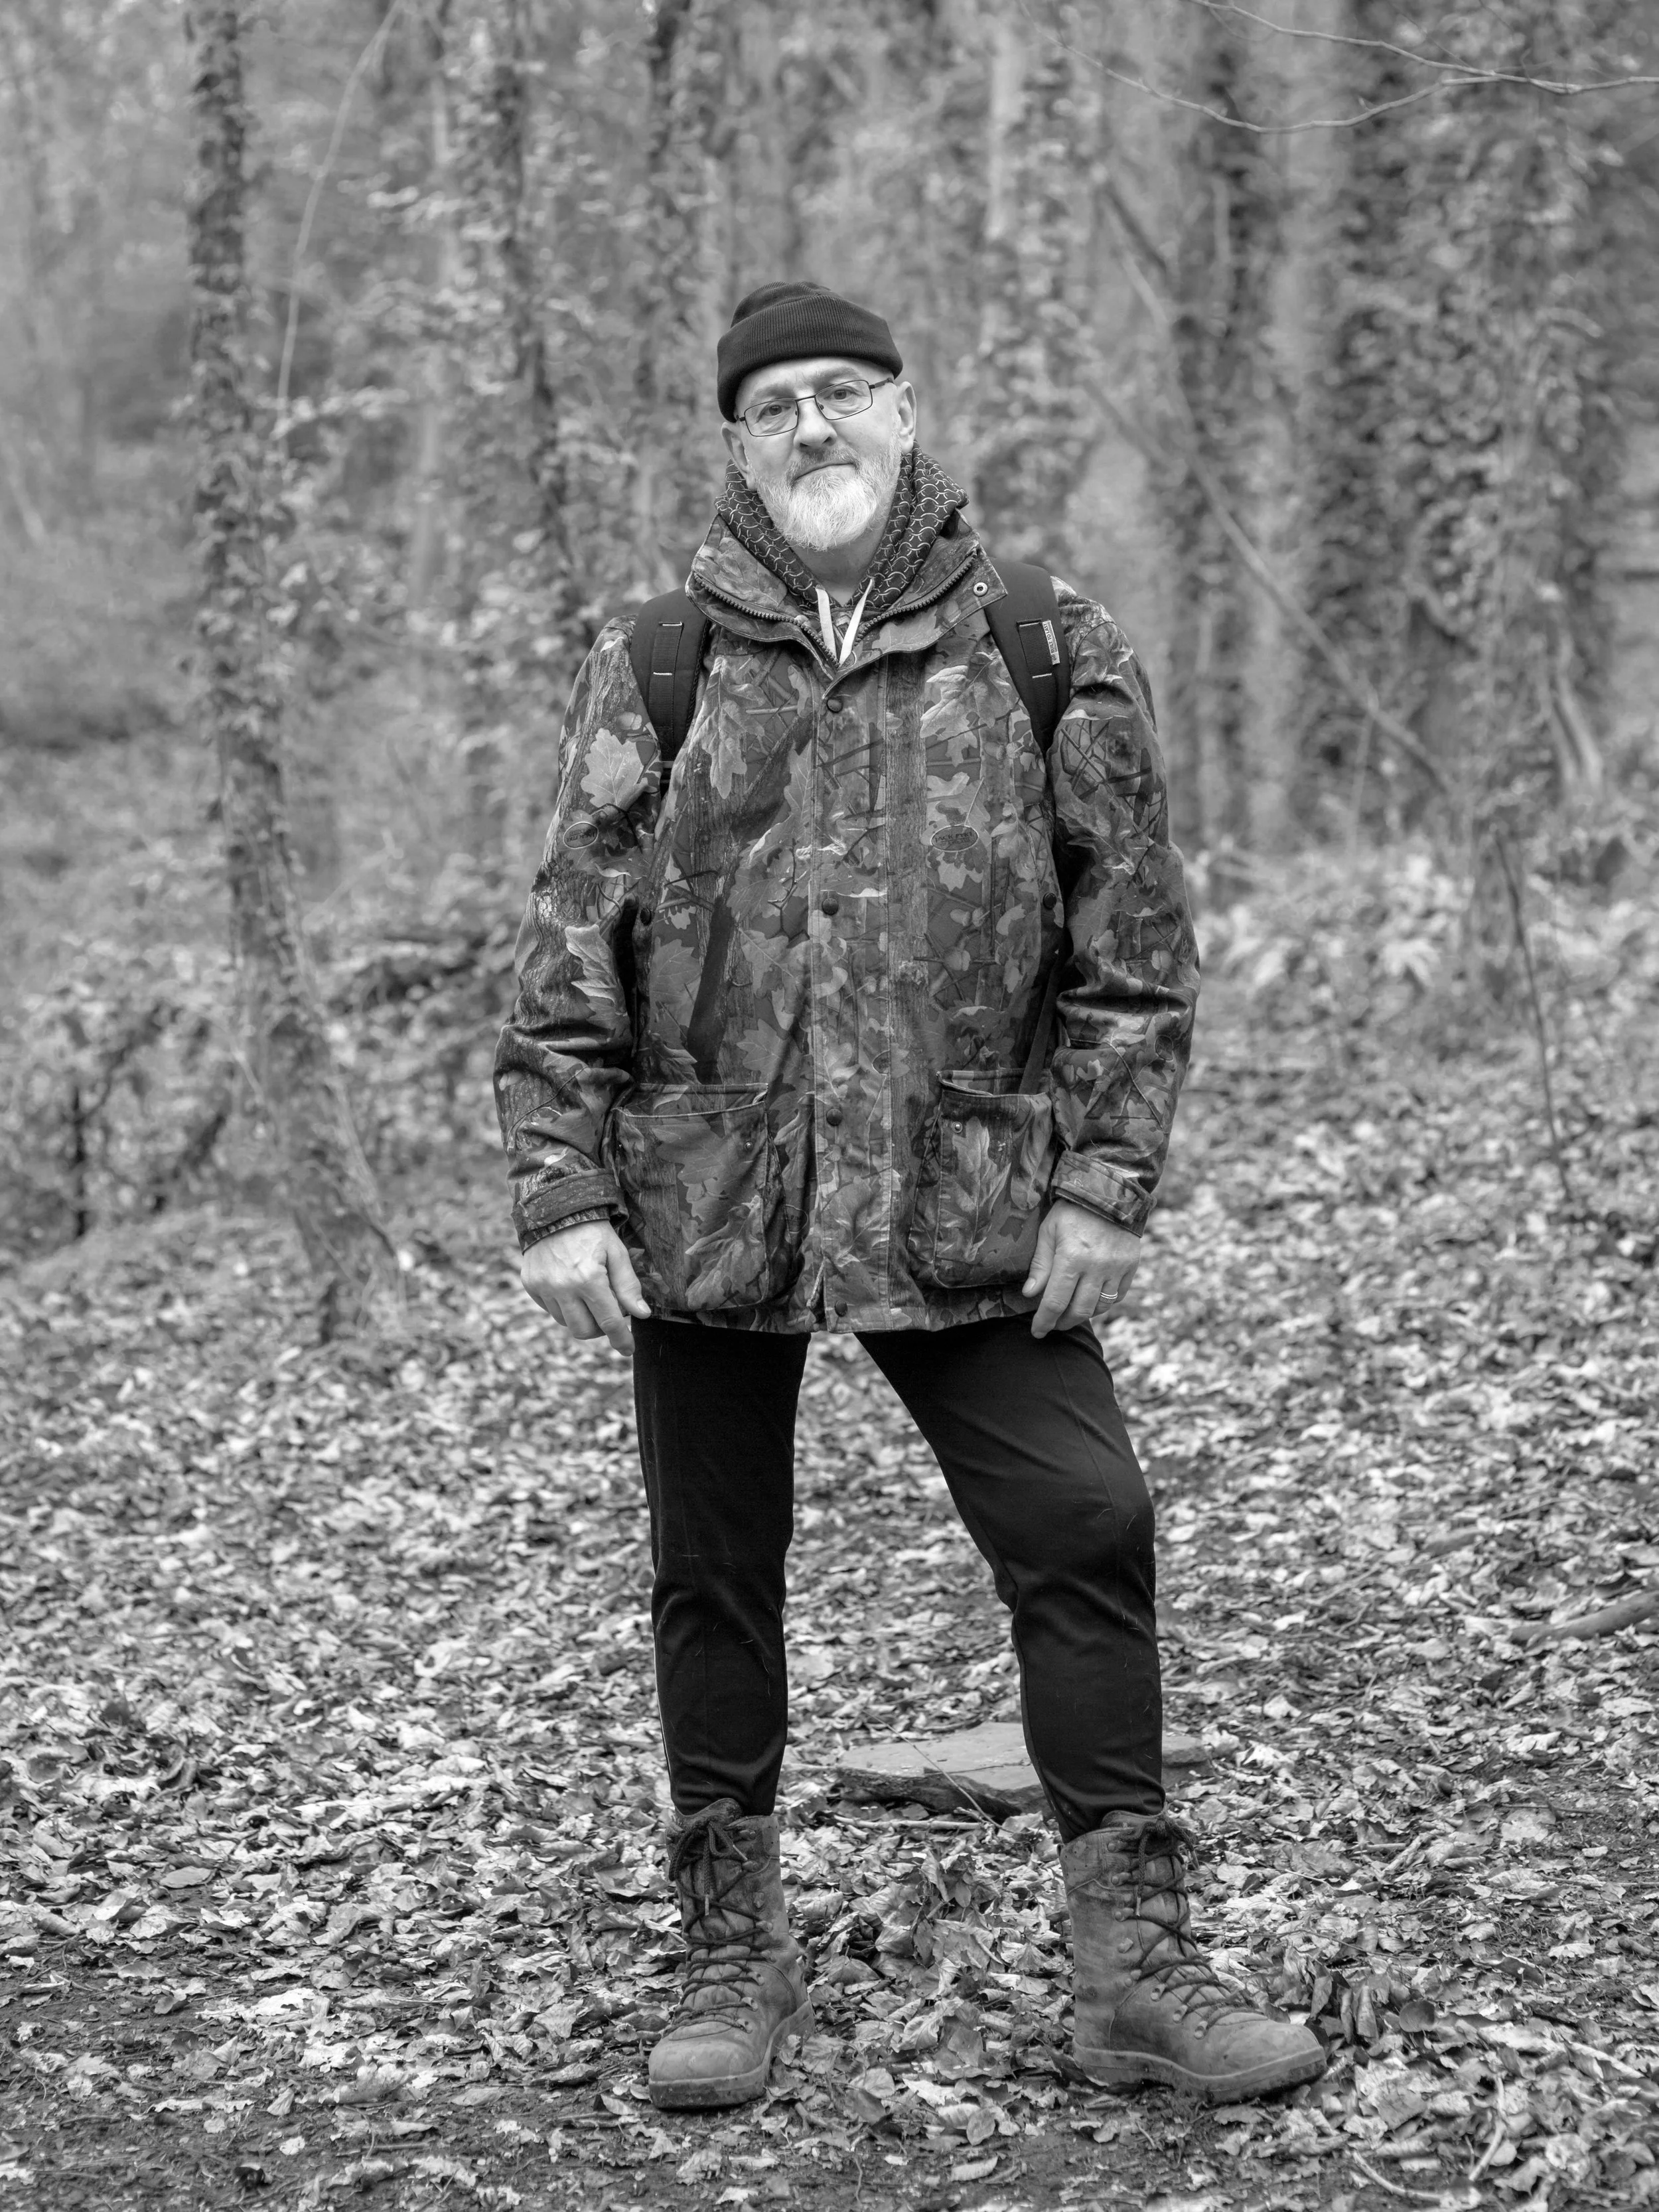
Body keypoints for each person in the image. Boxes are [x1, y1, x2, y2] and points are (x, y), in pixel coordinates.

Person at [494, 281, 1323, 2112]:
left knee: (1087, 1518)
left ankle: (1132, 1971)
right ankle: (728, 1947)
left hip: (968, 1200)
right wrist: (562, 1191)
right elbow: (570, 947)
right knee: (711, 1575)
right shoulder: (657, 661)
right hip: (716, 1202)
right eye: (776, 402)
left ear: (903, 410)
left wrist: (1105, 1181)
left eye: (842, 394)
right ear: (734, 439)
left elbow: (1133, 942)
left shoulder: (1040, 640)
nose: (812, 428)